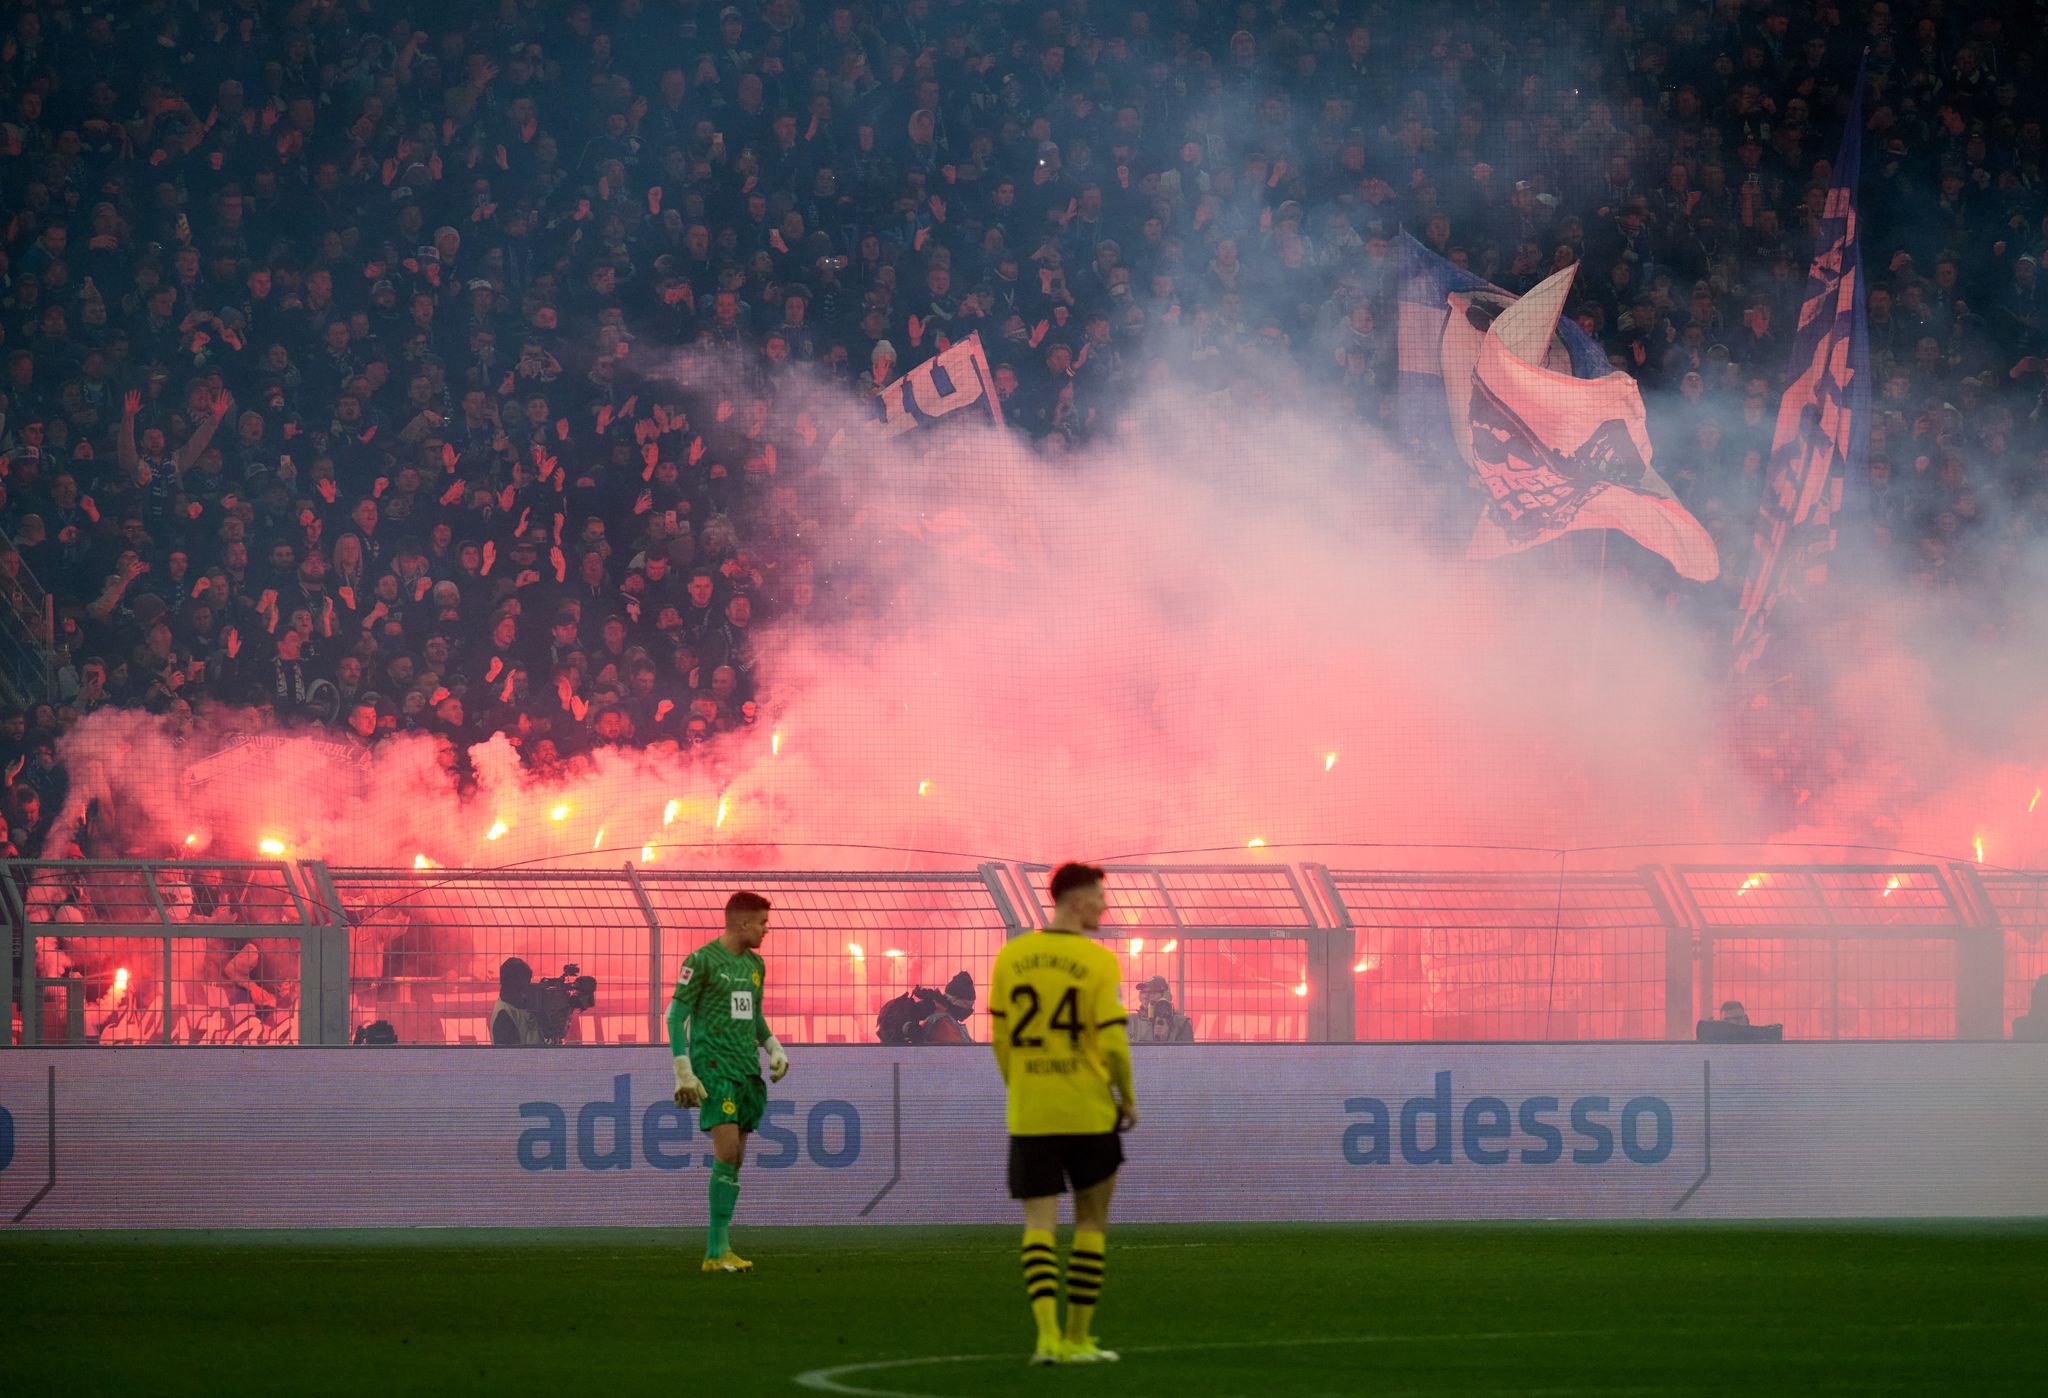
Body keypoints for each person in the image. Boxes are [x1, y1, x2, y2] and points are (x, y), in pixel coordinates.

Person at [990, 862, 1138, 1366]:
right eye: (1099, 896)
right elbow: (1114, 1045)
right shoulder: (1097, 962)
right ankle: (1078, 1338)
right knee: (1092, 1221)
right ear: (1076, 899)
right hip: (1089, 1110)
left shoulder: (1012, 957)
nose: (1104, 905)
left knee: (1038, 1224)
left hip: (1031, 1111)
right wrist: (1127, 1097)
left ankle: (1046, 1338)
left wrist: (1023, 1086)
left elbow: (1001, 1042)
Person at [668, 891, 791, 1274]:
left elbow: (753, 1015)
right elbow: (675, 1016)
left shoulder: (755, 965)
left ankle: (720, 1250)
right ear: (742, 923)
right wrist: (683, 1069)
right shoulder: (702, 961)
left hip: (746, 1069)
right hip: (714, 1066)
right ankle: (716, 1251)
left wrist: (772, 1045)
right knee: (726, 1152)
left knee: (735, 1158)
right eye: (762, 923)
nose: (766, 930)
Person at [1134, 975, 1195, 1043]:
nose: (1145, 996)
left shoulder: (1182, 1024)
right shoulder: (1130, 1022)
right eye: (1143, 992)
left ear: (1166, 995)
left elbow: (1186, 1050)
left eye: (1152, 992)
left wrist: (1166, 1039)